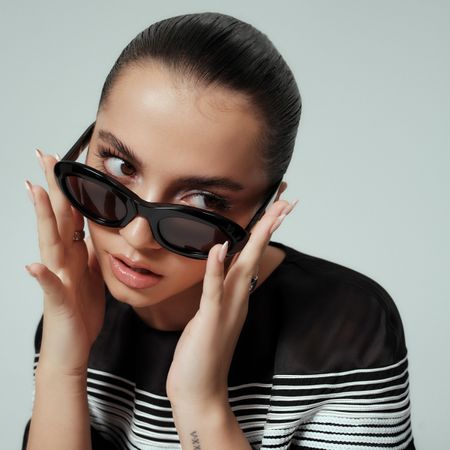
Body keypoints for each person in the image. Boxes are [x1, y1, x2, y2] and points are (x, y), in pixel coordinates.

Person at [21, 11, 415, 450]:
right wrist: (63, 365)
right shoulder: (77, 308)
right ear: (84, 147)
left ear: (263, 211)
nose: (136, 238)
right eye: (120, 166)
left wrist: (200, 404)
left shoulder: (347, 330)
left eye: (204, 201)